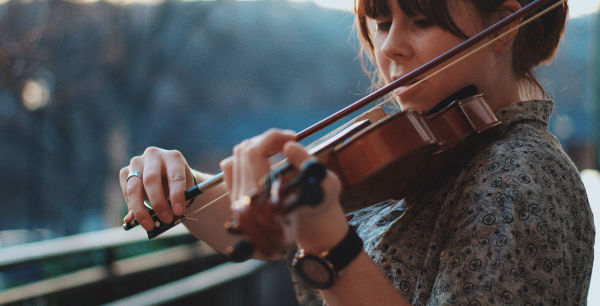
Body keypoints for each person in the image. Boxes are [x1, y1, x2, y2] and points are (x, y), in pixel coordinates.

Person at [119, 0, 594, 304]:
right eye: (382, 21)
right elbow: (269, 234)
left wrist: (331, 246)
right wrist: (185, 187)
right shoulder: (435, 152)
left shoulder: (520, 174)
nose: (390, 48)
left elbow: (323, 247)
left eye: (421, 20)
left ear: (502, 26)